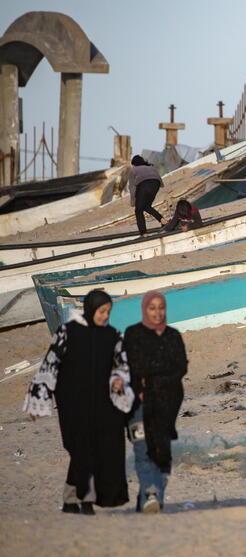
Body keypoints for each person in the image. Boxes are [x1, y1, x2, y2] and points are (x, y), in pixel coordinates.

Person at [23, 289, 134, 515]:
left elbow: (122, 367)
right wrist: (39, 399)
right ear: (91, 309)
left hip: (104, 405)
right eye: (102, 311)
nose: (105, 316)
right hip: (74, 404)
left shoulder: (112, 335)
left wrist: (118, 381)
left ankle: (80, 500)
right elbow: (50, 365)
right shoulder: (68, 332)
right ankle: (78, 500)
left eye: (108, 312)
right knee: (82, 451)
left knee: (102, 451)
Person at [123, 291, 187, 514]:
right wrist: (147, 382)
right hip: (137, 404)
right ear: (144, 310)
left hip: (166, 405)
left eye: (161, 307)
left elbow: (180, 368)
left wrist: (154, 379)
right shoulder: (133, 335)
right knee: (142, 450)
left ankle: (148, 500)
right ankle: (152, 492)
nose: (157, 312)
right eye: (152, 308)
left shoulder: (173, 336)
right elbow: (131, 367)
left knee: (162, 452)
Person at [128, 155, 166, 236]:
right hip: (156, 184)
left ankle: (143, 233)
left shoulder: (133, 170)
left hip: (144, 185)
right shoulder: (151, 168)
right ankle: (162, 220)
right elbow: (159, 180)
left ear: (134, 164)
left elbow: (132, 187)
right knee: (147, 206)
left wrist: (133, 202)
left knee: (138, 210)